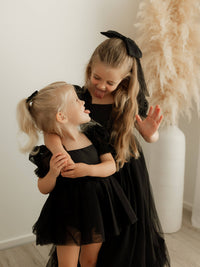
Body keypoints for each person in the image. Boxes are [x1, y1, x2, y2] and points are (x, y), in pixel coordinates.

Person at [45, 31, 171, 267]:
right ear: (90, 67)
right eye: (96, 77)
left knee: (122, 232)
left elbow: (149, 136)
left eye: (110, 82)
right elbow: (53, 126)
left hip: (124, 171)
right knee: (90, 230)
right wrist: (58, 152)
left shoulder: (128, 99)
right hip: (89, 173)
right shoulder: (77, 97)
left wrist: (149, 132)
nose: (101, 86)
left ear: (124, 79)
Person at [16, 81, 137, 267]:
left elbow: (110, 166)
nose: (82, 102)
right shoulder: (51, 152)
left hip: (97, 207)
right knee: (67, 264)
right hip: (68, 213)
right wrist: (53, 173)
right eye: (75, 100)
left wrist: (87, 169)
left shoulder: (94, 133)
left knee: (90, 260)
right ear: (61, 116)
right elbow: (43, 187)